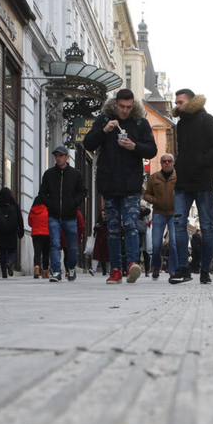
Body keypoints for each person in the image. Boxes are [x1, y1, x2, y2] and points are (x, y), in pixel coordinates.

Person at [84, 88, 157, 284]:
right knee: (114, 228)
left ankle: (132, 264)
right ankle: (115, 269)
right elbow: (88, 144)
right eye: (122, 107)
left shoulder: (140, 122)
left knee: (132, 224)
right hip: (109, 183)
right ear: (115, 104)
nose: (125, 111)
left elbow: (152, 149)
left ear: (133, 105)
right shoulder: (104, 119)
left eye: (128, 107)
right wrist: (105, 130)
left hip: (132, 184)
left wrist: (135, 147)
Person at [168, 89, 213, 285]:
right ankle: (184, 269)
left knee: (207, 226)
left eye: (180, 102)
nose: (177, 105)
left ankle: (205, 270)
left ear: (191, 102)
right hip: (184, 181)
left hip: (203, 181)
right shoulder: (181, 124)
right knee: (178, 222)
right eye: (176, 102)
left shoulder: (207, 120)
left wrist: (203, 163)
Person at [38, 145, 87, 282]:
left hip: (70, 216)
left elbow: (83, 191)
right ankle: (56, 271)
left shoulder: (75, 174)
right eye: (56, 156)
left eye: (61, 156)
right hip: (53, 215)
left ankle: (71, 268)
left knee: (71, 246)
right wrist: (50, 203)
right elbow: (42, 193)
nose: (58, 158)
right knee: (54, 243)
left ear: (67, 157)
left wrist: (74, 203)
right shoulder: (49, 174)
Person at [143, 153, 178, 280]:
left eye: (169, 161)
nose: (167, 163)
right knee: (156, 244)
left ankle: (173, 270)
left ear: (173, 163)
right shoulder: (154, 177)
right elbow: (146, 194)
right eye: (164, 161)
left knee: (174, 242)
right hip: (159, 213)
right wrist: (154, 200)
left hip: (174, 214)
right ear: (161, 163)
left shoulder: (178, 177)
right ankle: (156, 266)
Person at [0, 187, 24, 278]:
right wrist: (21, 231)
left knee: (2, 252)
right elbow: (20, 219)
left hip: (1, 232)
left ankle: (4, 273)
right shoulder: (15, 205)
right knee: (12, 250)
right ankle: (9, 262)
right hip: (12, 231)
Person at [28, 196, 50, 279]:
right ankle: (45, 272)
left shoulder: (32, 210)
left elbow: (30, 223)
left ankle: (36, 269)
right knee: (45, 253)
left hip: (36, 234)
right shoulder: (47, 210)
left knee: (37, 252)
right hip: (46, 234)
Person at [61, 209, 85, 278]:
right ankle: (71, 269)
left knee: (66, 254)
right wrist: (79, 234)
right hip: (73, 235)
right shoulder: (76, 212)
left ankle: (67, 271)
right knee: (72, 253)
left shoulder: (62, 211)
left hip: (63, 236)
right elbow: (81, 225)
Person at [90, 210, 109, 276]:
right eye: (102, 214)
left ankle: (107, 271)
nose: (103, 216)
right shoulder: (99, 221)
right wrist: (96, 227)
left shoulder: (109, 221)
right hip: (99, 240)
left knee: (107, 256)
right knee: (97, 254)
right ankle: (93, 270)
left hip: (107, 240)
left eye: (104, 214)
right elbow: (95, 229)